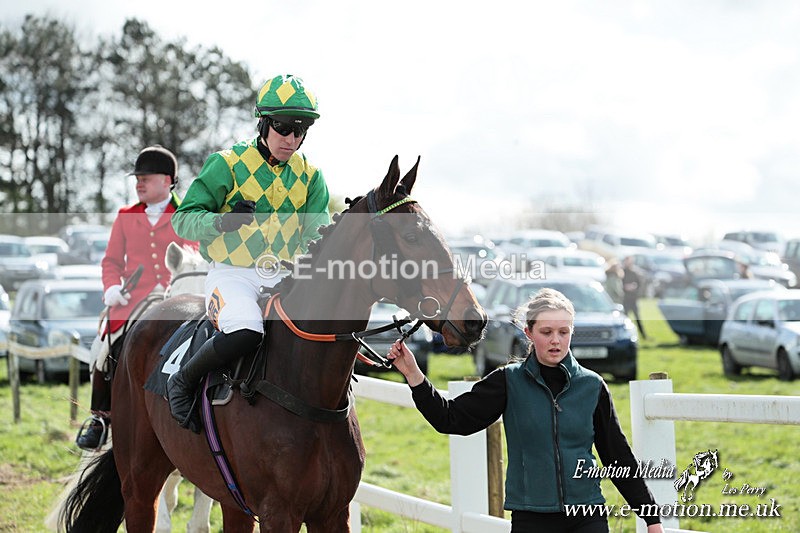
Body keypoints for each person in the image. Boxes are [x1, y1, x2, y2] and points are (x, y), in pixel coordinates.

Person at [388, 288, 664, 533]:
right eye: (546, 332)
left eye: (563, 332)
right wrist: (414, 375)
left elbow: (616, 454)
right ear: (528, 332)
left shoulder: (592, 386)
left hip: (587, 515)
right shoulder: (508, 382)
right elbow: (450, 419)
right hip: (532, 518)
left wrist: (651, 516)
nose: (556, 340)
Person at [168, 74, 330, 430]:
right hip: (232, 274)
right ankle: (182, 382)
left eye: (301, 130)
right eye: (284, 127)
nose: (291, 139)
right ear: (263, 122)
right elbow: (183, 220)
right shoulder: (226, 163)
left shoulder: (312, 177)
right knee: (248, 330)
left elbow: (317, 236)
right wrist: (222, 223)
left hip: (286, 278)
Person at [75, 145, 198, 450]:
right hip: (134, 298)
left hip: (175, 298)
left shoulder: (185, 216)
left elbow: (194, 259)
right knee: (103, 344)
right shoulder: (125, 215)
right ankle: (101, 417)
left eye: (146, 177)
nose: (138, 183)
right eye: (137, 178)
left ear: (167, 180)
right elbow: (111, 261)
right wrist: (112, 287)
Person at [622, 255, 647, 339]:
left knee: (637, 317)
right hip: (625, 299)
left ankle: (643, 335)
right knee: (625, 318)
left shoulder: (635, 272)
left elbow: (640, 284)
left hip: (633, 298)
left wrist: (634, 288)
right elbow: (619, 285)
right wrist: (625, 287)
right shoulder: (622, 272)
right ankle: (625, 335)